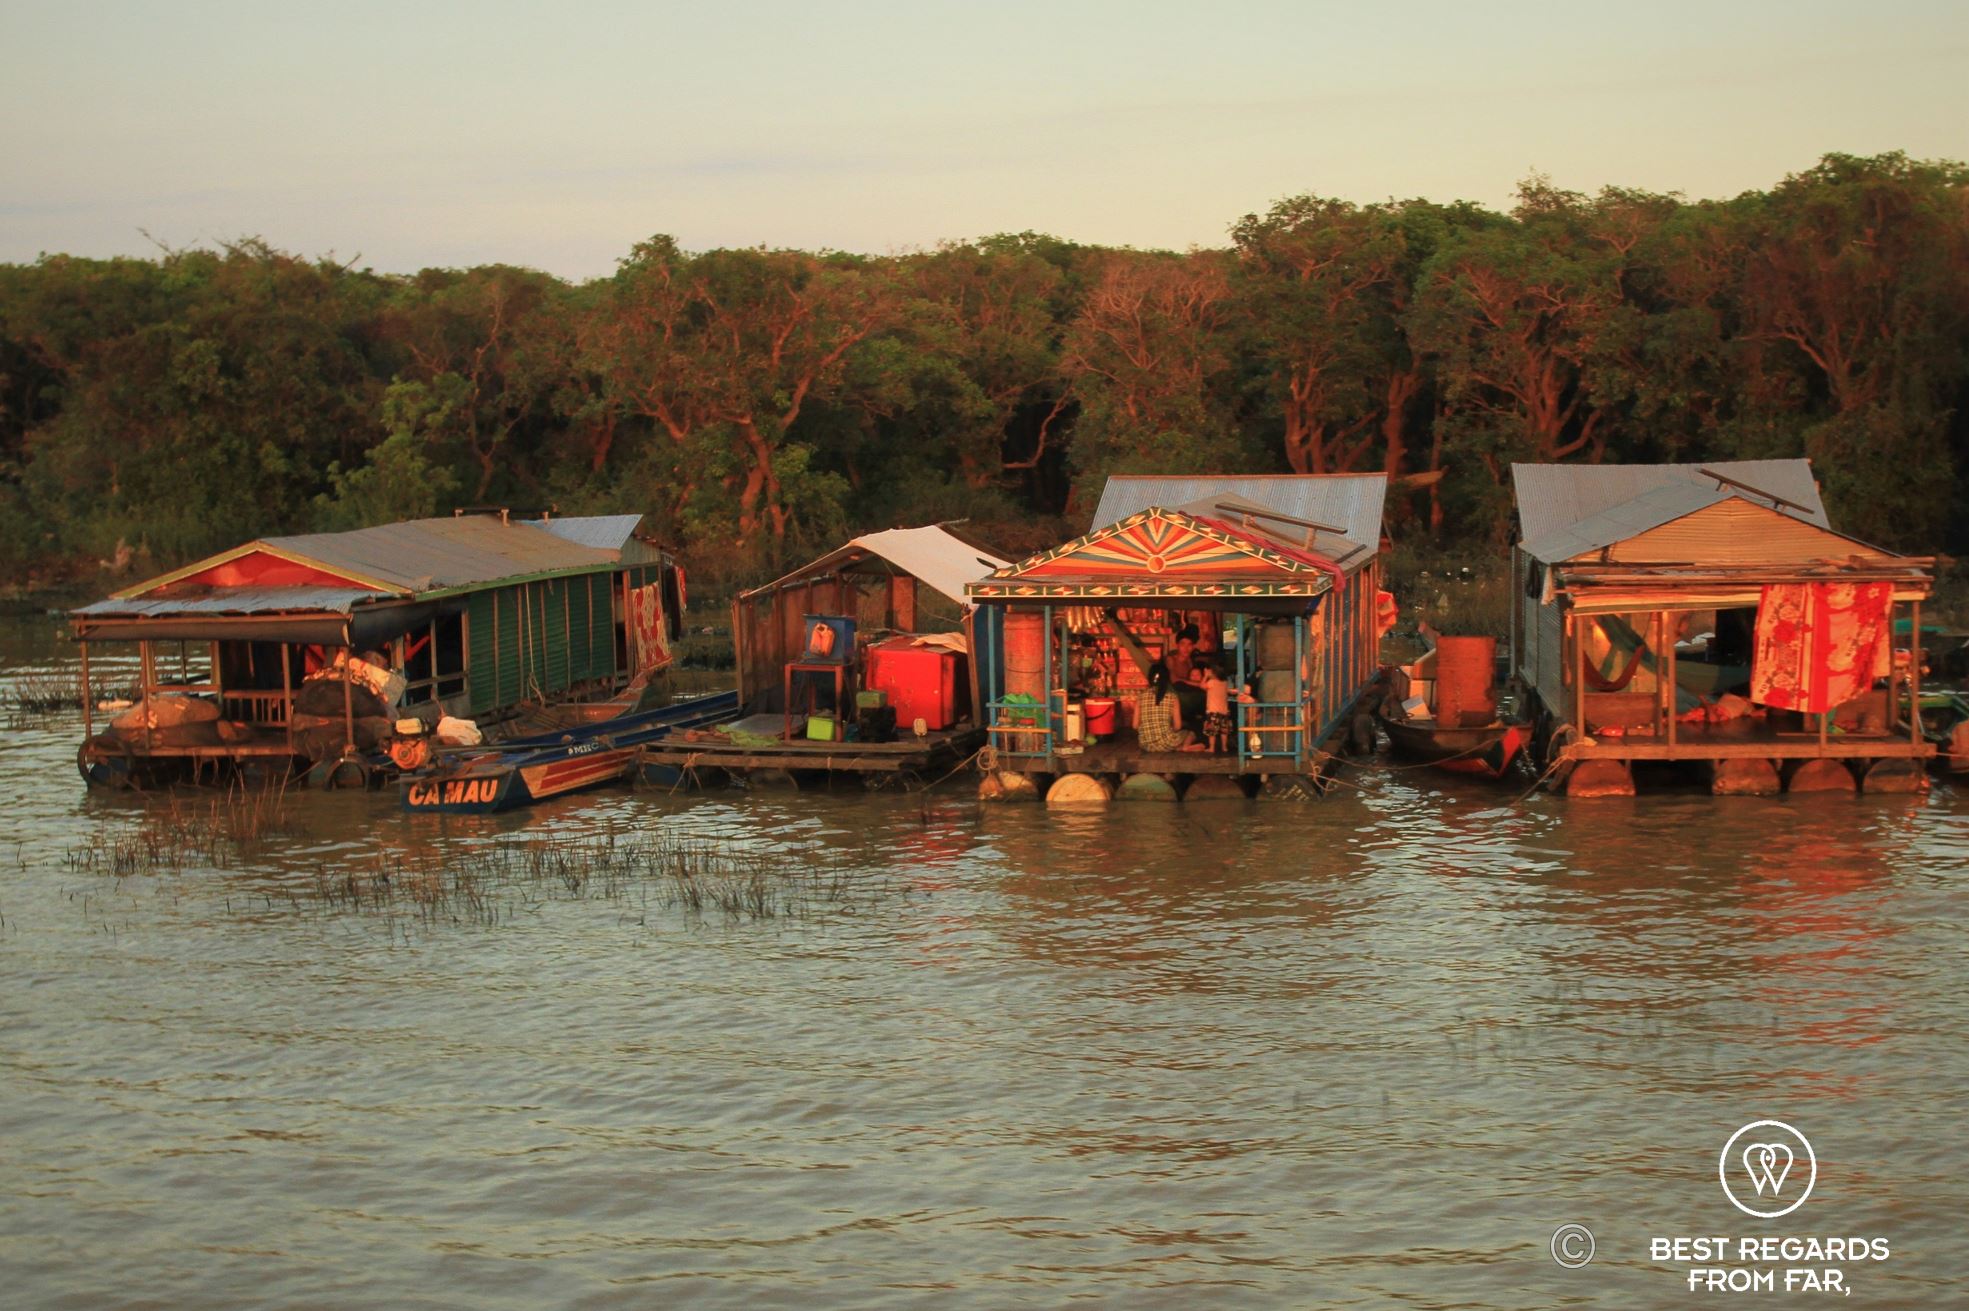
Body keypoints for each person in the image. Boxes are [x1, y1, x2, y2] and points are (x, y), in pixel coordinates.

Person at [1132, 661, 1196, 753]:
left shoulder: (1140, 697)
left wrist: (1149, 730)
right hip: (1167, 742)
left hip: (1145, 744)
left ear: (1150, 677)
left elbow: (1134, 725)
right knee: (1191, 733)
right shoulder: (1172, 697)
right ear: (1167, 678)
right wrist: (1167, 729)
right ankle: (1184, 748)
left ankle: (1178, 747)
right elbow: (1178, 726)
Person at [1199, 658, 1234, 754]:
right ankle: (1224, 747)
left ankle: (1211, 747)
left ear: (1213, 672)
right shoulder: (1224, 683)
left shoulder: (1211, 682)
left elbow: (1201, 686)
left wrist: (1205, 676)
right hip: (1224, 711)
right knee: (1224, 732)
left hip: (1213, 711)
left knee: (1212, 732)